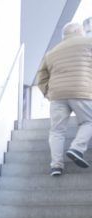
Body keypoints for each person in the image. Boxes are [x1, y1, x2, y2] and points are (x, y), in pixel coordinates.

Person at [36, 22, 92, 176]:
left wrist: (49, 93)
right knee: (89, 121)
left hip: (57, 95)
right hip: (82, 91)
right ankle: (77, 148)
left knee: (56, 131)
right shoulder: (89, 43)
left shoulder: (52, 52)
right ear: (80, 31)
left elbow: (41, 77)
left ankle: (56, 166)